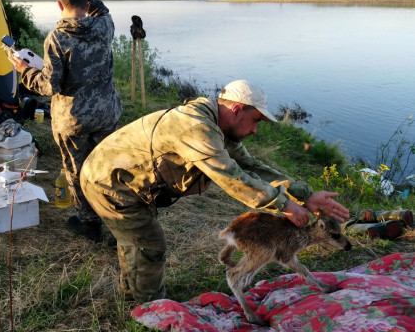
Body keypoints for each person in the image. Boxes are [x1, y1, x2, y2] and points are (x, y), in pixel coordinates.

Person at [80, 79, 349, 302]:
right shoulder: (198, 127)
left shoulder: (219, 128)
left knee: (136, 241)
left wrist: (303, 194)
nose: (255, 131)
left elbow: (250, 165)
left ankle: (132, 297)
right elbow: (233, 178)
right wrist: (285, 206)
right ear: (237, 109)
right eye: (255, 120)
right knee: (149, 244)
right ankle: (151, 311)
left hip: (127, 179)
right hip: (109, 181)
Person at [8, 0, 122, 243]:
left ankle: (89, 223)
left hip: (73, 120)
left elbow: (50, 85)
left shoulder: (57, 38)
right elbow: (101, 10)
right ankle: (121, 224)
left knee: (76, 170)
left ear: (60, 5)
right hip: (106, 114)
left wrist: (25, 72)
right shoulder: (105, 26)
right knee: (109, 169)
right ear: (86, 3)